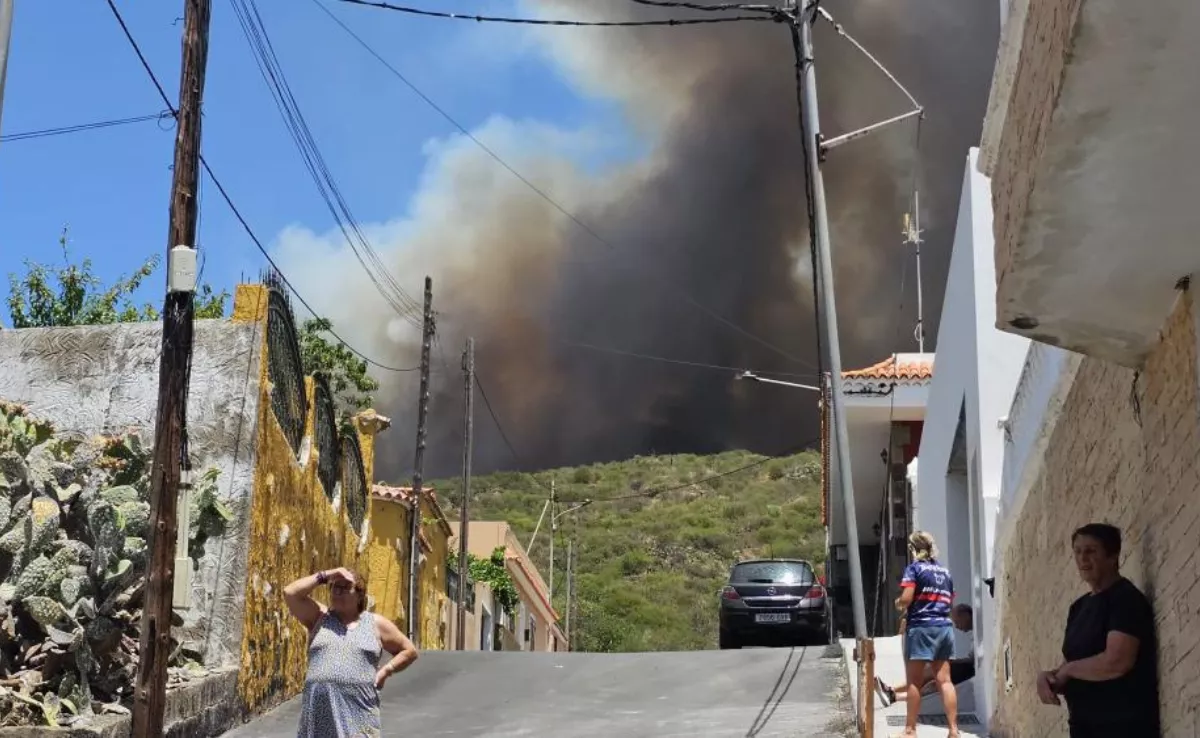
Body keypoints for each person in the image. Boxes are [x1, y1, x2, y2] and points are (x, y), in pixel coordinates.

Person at [1035, 524, 1160, 738]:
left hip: (1123, 726)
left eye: (1091, 551)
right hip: (1084, 726)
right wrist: (1050, 678)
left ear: (1113, 556)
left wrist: (1069, 670)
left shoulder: (1125, 599)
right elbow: (1075, 662)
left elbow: (1117, 662)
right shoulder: (1079, 607)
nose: (1083, 558)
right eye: (1078, 551)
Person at [284, 567, 419, 738]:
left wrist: (387, 670)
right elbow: (290, 593)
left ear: (360, 595)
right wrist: (325, 576)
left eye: (345, 587)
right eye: (335, 587)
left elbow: (409, 650)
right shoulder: (319, 617)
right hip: (318, 719)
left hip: (358, 716)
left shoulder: (375, 624)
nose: (338, 592)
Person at [891, 531, 960, 738]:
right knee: (945, 680)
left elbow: (907, 597)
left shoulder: (914, 569)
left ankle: (910, 730)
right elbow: (950, 601)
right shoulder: (945, 572)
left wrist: (899, 603)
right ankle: (953, 729)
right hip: (944, 628)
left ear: (913, 548)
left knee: (914, 681)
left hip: (921, 627)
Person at [876, 604, 974, 706]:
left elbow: (973, 662)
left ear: (966, 616)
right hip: (966, 668)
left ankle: (891, 692)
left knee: (934, 669)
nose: (957, 627)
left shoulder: (981, 630)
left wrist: (955, 661)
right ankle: (893, 695)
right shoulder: (975, 633)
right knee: (932, 684)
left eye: (957, 622)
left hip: (969, 669)